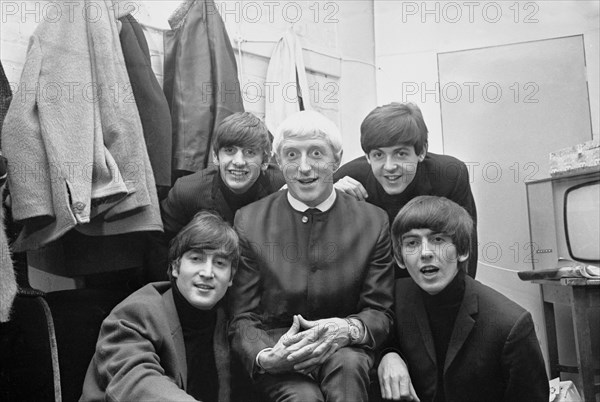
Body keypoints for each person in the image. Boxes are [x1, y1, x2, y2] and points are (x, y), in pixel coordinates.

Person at [229, 110, 395, 401]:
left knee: (349, 368)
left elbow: (380, 311)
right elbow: (243, 317)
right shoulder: (249, 221)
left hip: (345, 348)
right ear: (278, 162)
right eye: (292, 155)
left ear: (337, 159)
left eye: (316, 153)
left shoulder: (373, 221)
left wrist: (348, 329)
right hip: (280, 349)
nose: (304, 168)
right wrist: (265, 356)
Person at [377, 196, 548, 402]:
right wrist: (387, 355)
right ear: (399, 257)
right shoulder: (392, 299)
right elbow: (371, 339)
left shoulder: (510, 324)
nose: (425, 253)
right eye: (412, 243)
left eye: (438, 240)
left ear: (463, 250)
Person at [80, 211, 239, 402]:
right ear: (175, 267)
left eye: (220, 263)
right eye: (196, 259)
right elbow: (136, 383)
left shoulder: (228, 319)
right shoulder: (136, 313)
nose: (207, 272)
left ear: (231, 277)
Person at [333, 103, 478, 278]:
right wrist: (330, 201)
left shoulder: (449, 175)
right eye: (378, 155)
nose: (389, 166)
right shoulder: (349, 179)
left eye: (400, 154)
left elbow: (465, 245)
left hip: (433, 277)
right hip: (377, 282)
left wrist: (462, 298)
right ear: (367, 157)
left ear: (422, 151)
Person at [161, 111, 285, 238]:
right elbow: (162, 247)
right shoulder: (186, 192)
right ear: (215, 156)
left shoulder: (284, 188)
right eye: (230, 151)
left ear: (265, 161)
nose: (239, 162)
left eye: (250, 152)